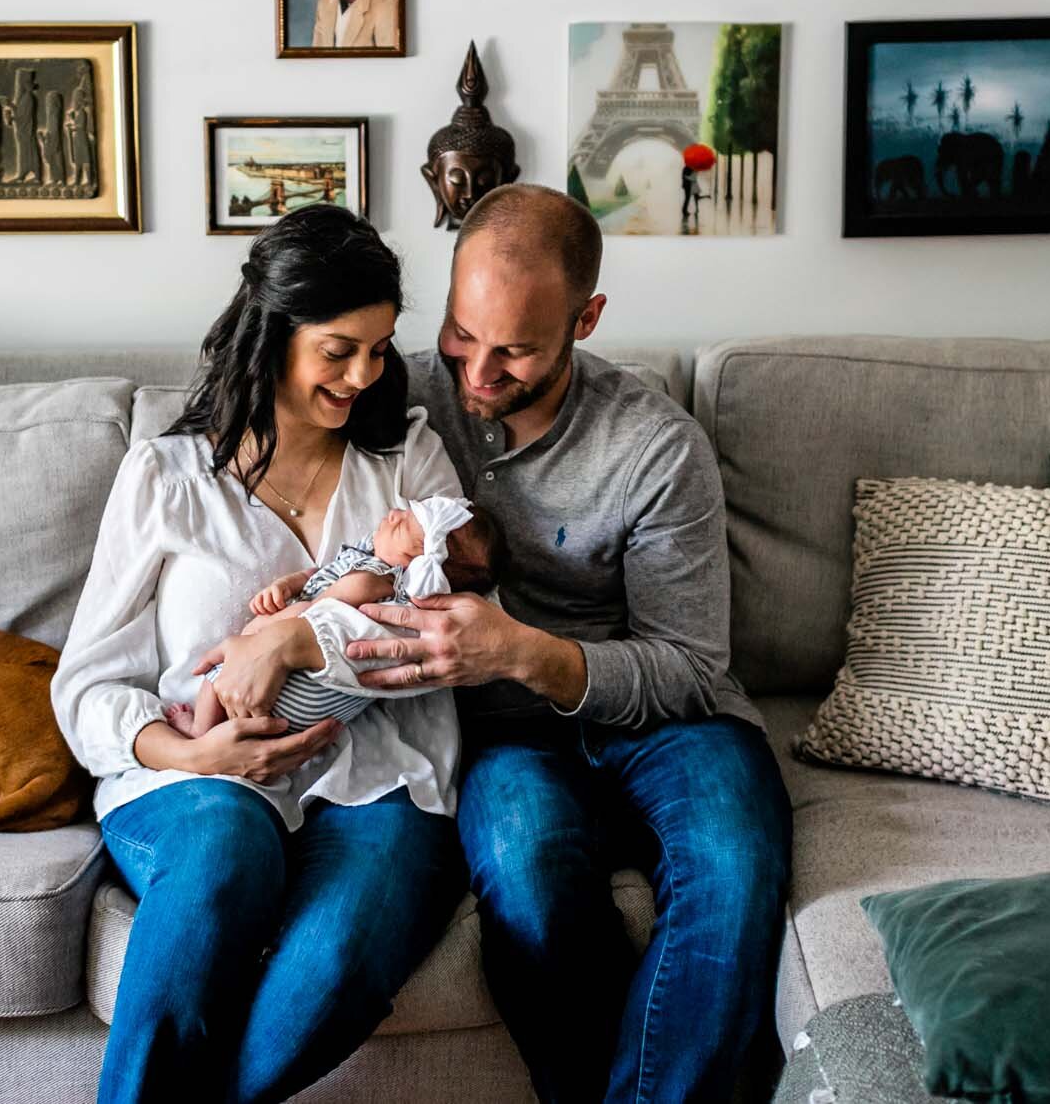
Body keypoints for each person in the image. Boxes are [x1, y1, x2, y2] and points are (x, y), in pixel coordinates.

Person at [346, 184, 795, 1103]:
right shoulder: (399, 409)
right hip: (510, 739)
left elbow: (689, 665)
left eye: (514, 349)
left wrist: (519, 652)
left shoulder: (656, 446)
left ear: (586, 318)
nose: (476, 372)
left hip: (675, 721)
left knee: (736, 872)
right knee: (529, 877)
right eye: (463, 334)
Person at [50, 205, 469, 1104]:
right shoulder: (165, 477)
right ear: (274, 333)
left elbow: (439, 634)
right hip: (188, 779)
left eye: (381, 347)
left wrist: (295, 633)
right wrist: (193, 753)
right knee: (225, 844)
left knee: (341, 956)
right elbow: (87, 683)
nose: (365, 373)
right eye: (339, 348)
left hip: (379, 776)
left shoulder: (409, 465)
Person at [171, 499, 504, 739]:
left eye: (403, 522)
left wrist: (262, 631)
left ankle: (199, 731)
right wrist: (288, 584)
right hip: (306, 716)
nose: (393, 514)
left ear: (417, 559)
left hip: (293, 695)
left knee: (216, 676)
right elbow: (318, 576)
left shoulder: (371, 581)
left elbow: (313, 612)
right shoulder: (365, 560)